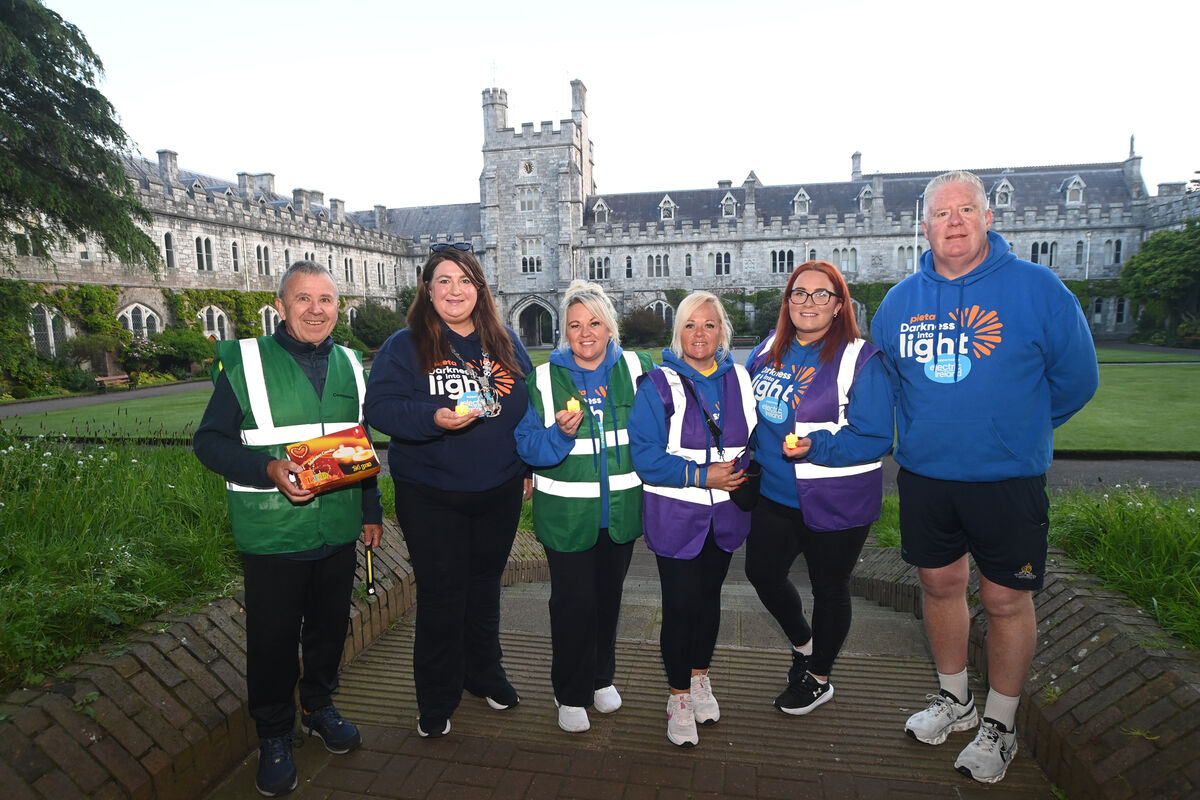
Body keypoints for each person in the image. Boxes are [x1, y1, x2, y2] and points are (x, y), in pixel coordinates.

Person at [873, 171, 1098, 784]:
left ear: (988, 217)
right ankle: (956, 700)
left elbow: (1078, 380)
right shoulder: (899, 302)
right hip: (926, 477)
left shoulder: (1038, 289)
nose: (954, 221)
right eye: (941, 212)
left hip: (1006, 479)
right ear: (923, 226)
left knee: (1004, 598)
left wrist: (1016, 427)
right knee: (940, 585)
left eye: (966, 208)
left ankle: (1000, 721)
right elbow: (887, 385)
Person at [193, 260, 381, 797]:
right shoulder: (248, 361)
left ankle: (318, 706)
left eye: (326, 299)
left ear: (338, 307)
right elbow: (209, 442)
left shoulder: (349, 361)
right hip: (273, 533)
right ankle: (275, 735)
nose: (317, 310)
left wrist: (371, 511)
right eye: (304, 299)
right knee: (273, 641)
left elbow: (358, 443)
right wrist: (269, 469)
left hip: (338, 527)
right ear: (281, 307)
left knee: (327, 631)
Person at [363, 243, 533, 739]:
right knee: (441, 596)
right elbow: (382, 410)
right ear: (427, 290)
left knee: (484, 591)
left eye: (465, 280)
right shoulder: (405, 345)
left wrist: (524, 468)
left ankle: (483, 674)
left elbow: (524, 409)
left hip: (498, 491)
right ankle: (437, 695)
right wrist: (431, 418)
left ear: (480, 289)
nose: (455, 290)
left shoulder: (504, 341)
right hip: (432, 494)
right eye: (443, 280)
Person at [743, 261, 894, 717]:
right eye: (799, 293)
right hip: (775, 492)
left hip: (836, 499)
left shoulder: (858, 358)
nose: (809, 303)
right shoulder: (768, 348)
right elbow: (751, 415)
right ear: (787, 302)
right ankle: (804, 644)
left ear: (838, 304)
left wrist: (816, 446)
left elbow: (875, 436)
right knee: (762, 573)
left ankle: (819, 677)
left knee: (829, 588)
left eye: (820, 294)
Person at [515, 280, 655, 734]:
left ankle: (601, 678)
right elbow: (526, 445)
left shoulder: (638, 368)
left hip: (619, 514)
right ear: (564, 331)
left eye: (594, 322)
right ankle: (570, 691)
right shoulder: (540, 378)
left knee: (609, 599)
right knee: (573, 603)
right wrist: (558, 434)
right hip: (567, 515)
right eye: (575, 325)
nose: (585, 332)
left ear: (610, 327)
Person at [628, 291, 757, 748]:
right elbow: (644, 457)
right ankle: (678, 694)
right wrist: (702, 475)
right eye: (689, 325)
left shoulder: (741, 379)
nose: (699, 334)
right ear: (676, 332)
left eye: (708, 325)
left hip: (725, 518)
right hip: (676, 515)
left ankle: (701, 676)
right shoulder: (657, 384)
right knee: (681, 606)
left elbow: (756, 439)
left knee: (709, 600)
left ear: (722, 331)